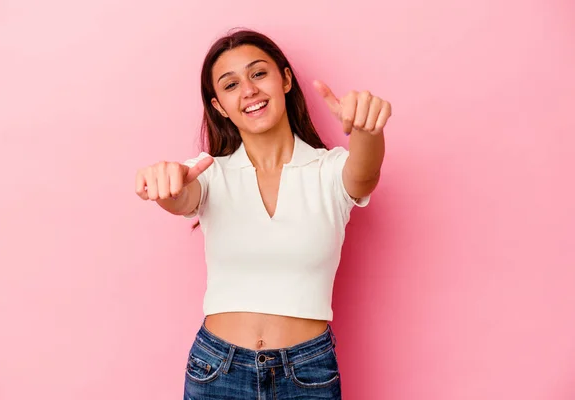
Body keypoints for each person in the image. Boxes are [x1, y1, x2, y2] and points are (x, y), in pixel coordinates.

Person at [135, 28, 391, 400]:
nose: (249, 90)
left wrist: (368, 130)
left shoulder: (329, 170)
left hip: (308, 373)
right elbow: (180, 195)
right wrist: (164, 184)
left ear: (285, 79)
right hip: (216, 370)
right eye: (231, 84)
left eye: (258, 74)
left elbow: (365, 175)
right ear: (219, 106)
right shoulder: (209, 172)